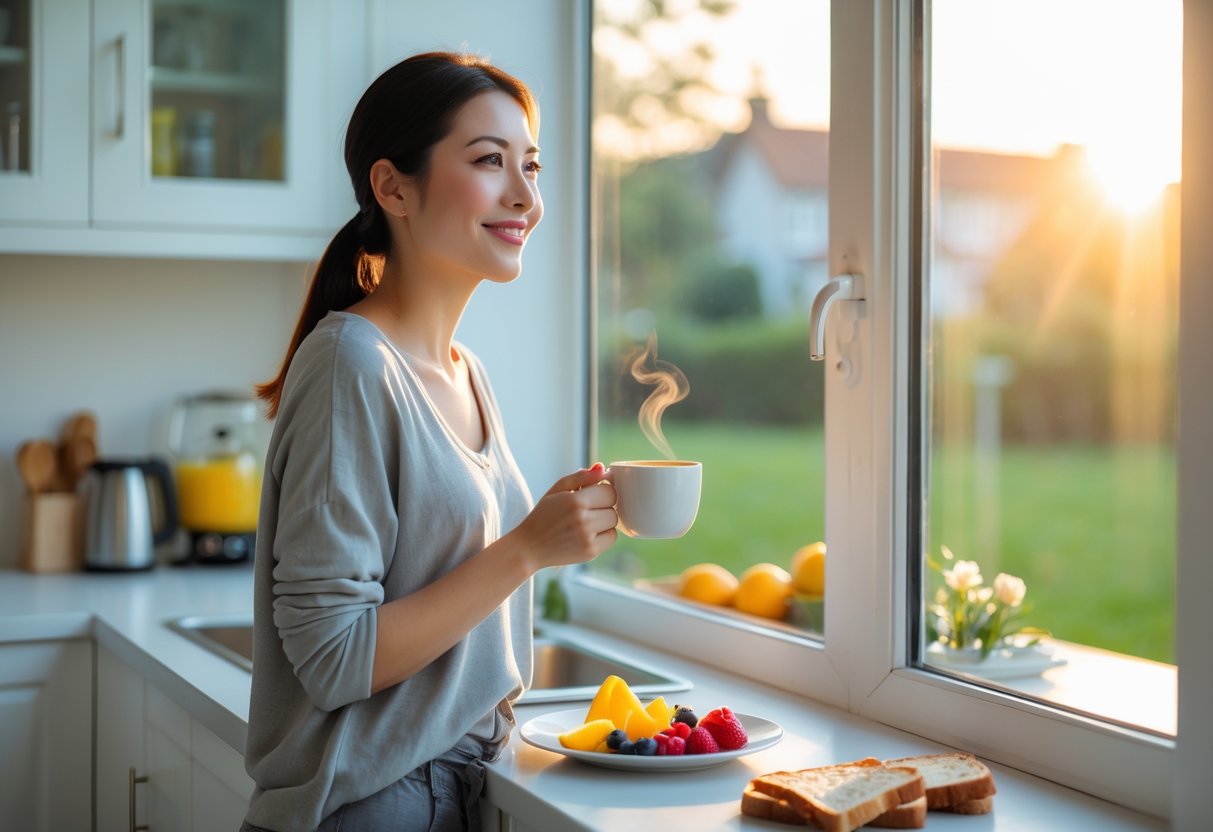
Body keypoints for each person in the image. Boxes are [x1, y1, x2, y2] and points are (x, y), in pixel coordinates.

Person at [240, 52, 618, 832]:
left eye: (531, 166)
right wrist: (525, 549)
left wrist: (540, 535)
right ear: (393, 187)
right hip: (372, 803)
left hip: (454, 783)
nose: (525, 196)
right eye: (487, 161)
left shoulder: (464, 370)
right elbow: (335, 657)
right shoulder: (352, 363)